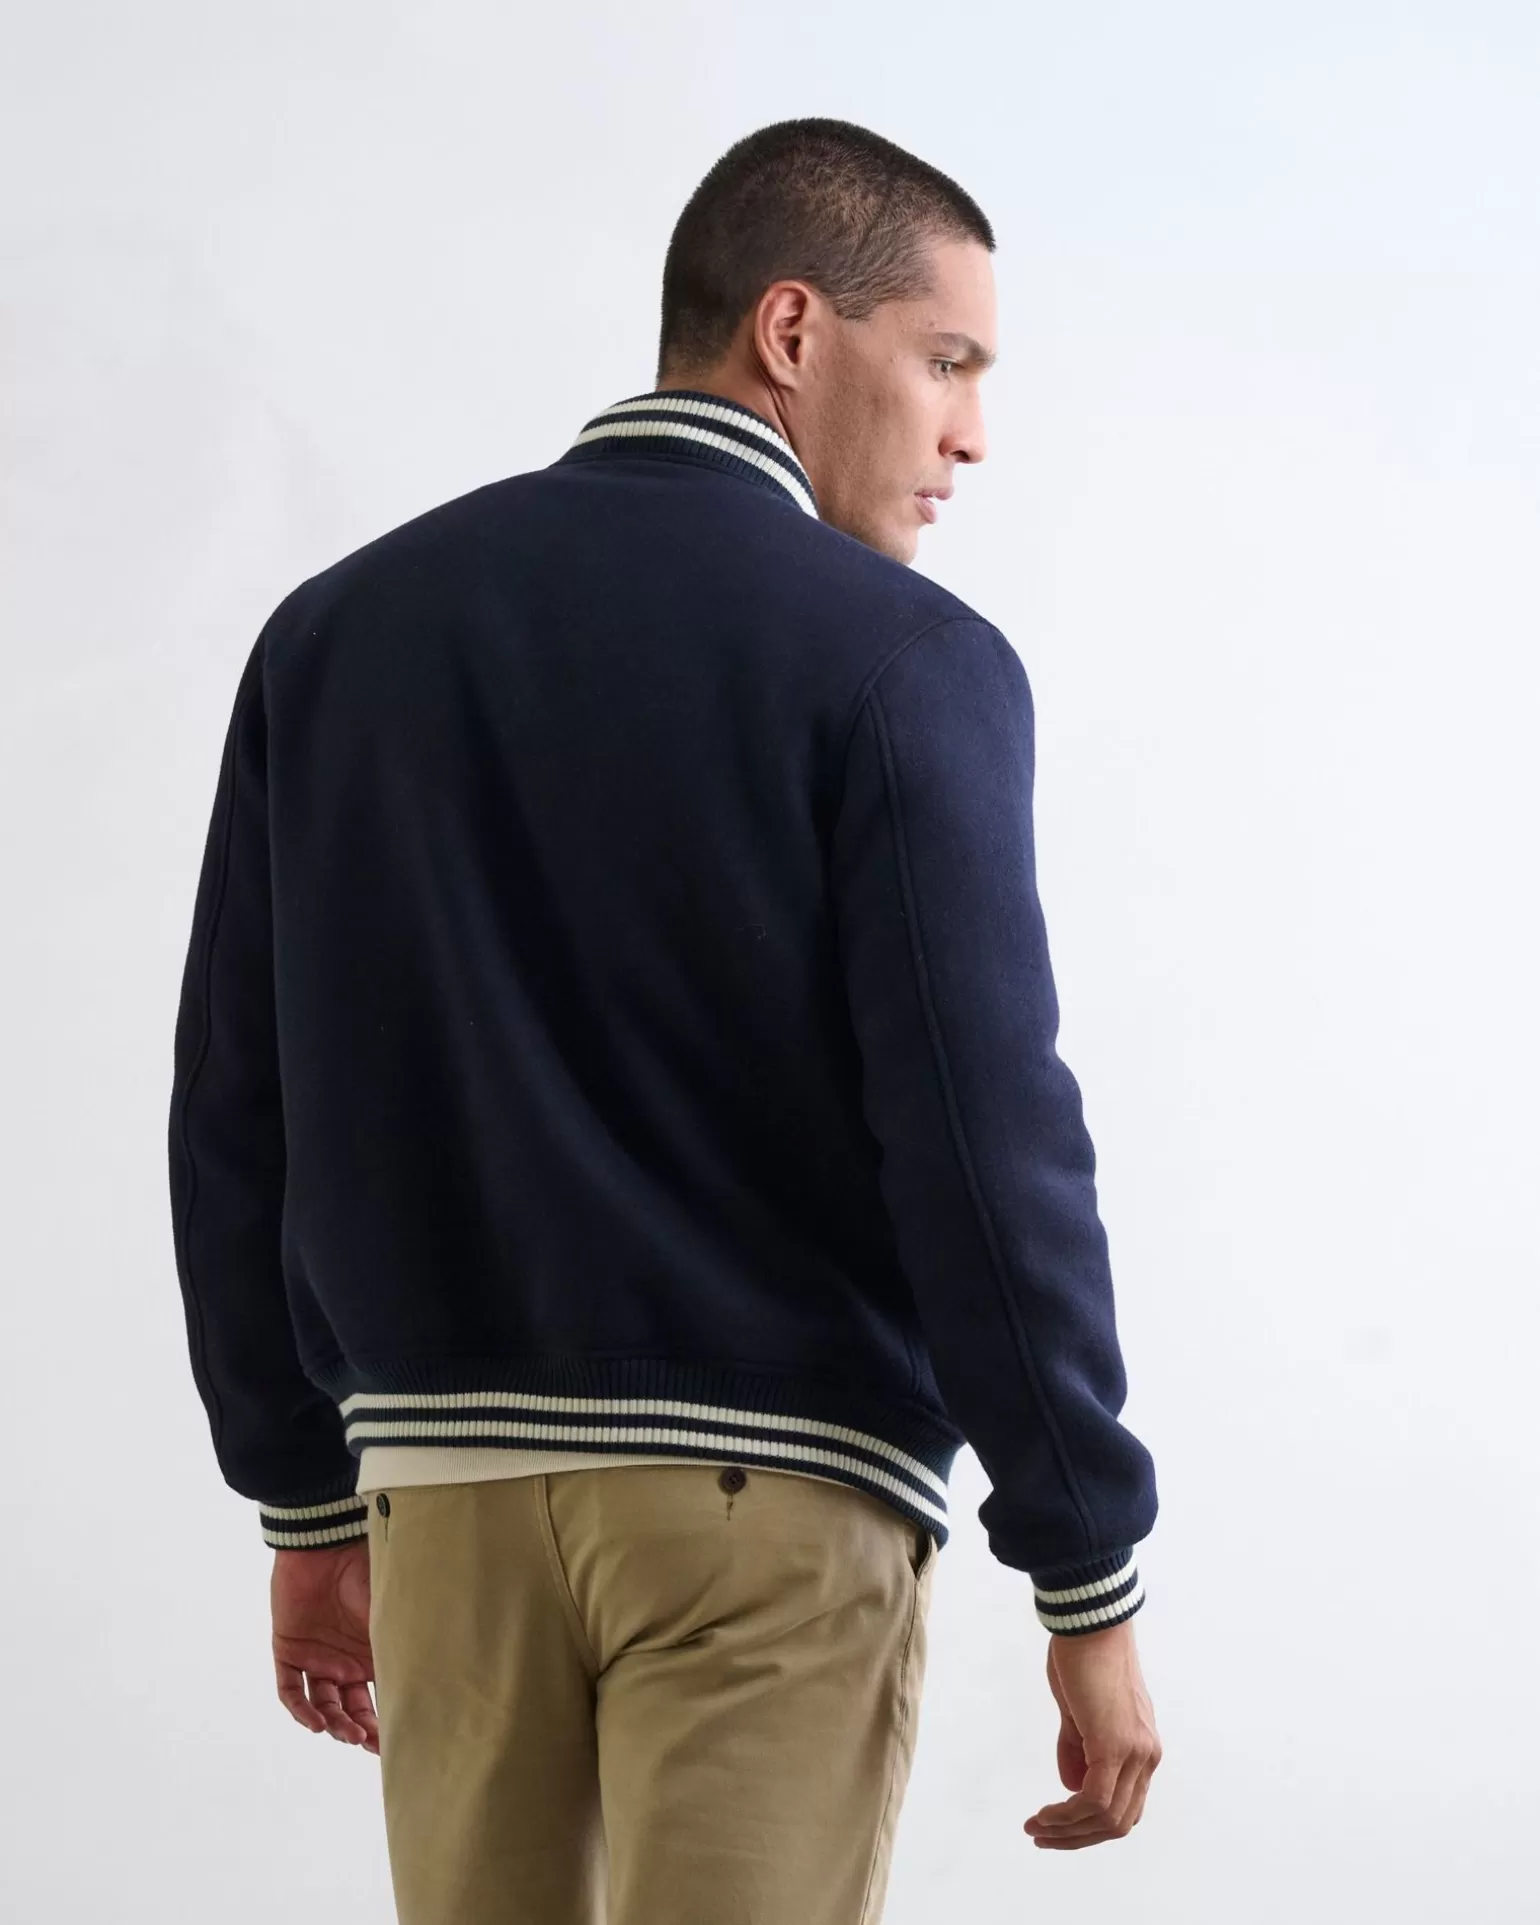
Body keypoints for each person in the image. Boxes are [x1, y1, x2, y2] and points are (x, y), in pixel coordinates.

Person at [166, 114, 1162, 1922]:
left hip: (444, 1507)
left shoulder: (339, 635)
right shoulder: (903, 663)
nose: (974, 434)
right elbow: (982, 1136)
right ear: (792, 329)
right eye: (948, 361)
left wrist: (301, 1499)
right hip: (769, 1507)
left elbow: (240, 1102)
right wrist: (1084, 1565)